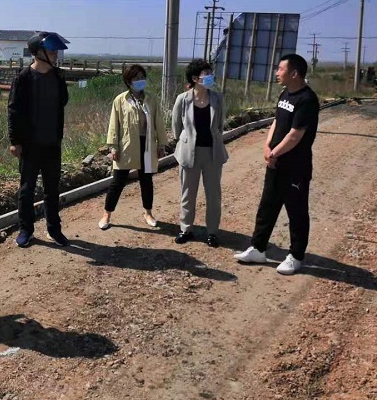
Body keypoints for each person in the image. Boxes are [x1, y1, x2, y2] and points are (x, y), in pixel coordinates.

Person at [234, 53, 319, 275]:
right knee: (267, 207)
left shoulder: (307, 99)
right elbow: (276, 121)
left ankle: (296, 256)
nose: (277, 73)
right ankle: (258, 248)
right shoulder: (284, 94)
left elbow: (295, 135)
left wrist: (274, 153)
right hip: (276, 163)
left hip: (295, 167)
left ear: (294, 73)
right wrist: (267, 146)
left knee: (297, 212)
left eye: (281, 69)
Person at [8, 32, 70, 247]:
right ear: (38, 52)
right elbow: (13, 111)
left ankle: (54, 229)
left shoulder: (58, 77)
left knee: (52, 189)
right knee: (27, 190)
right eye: (51, 50)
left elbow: (63, 101)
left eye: (55, 50)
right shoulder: (23, 78)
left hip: (52, 143)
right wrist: (15, 141)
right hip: (30, 145)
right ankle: (26, 230)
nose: (55, 54)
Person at [99, 64, 167, 230]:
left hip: (147, 145)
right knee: (117, 182)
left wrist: (161, 144)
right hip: (127, 145)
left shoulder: (151, 99)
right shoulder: (120, 100)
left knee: (146, 181)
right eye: (136, 78)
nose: (140, 81)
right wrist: (113, 146)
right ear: (129, 81)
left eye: (142, 78)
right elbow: (114, 125)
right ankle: (107, 214)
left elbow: (159, 122)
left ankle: (148, 213)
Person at [171, 59, 229, 247]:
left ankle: (212, 232)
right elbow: (176, 127)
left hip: (212, 153)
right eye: (206, 74)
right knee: (188, 194)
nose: (210, 76)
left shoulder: (217, 98)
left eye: (210, 73)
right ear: (195, 78)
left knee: (213, 195)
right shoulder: (183, 99)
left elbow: (219, 124)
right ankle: (186, 229)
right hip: (189, 153)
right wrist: (185, 141)